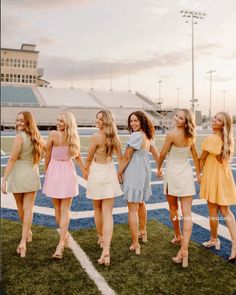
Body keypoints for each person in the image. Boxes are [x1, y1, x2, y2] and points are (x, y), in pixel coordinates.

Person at [157, 109, 200, 267]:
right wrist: (199, 175)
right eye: (176, 116)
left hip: (173, 175)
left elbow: (161, 154)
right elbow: (195, 156)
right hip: (187, 174)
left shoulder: (172, 135)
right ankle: (184, 250)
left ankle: (178, 235)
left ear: (186, 121)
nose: (176, 118)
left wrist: (159, 168)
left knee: (173, 207)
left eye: (180, 118)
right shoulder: (191, 136)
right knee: (187, 214)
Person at [1, 111, 44, 257]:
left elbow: (12, 159)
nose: (18, 122)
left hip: (18, 175)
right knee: (28, 209)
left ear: (28, 122)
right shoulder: (37, 137)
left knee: (22, 208)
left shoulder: (19, 137)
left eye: (22, 120)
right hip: (32, 173)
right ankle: (27, 234)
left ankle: (23, 242)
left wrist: (4, 179)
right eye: (17, 120)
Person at [43, 111, 85, 259]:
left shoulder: (53, 135)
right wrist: (85, 171)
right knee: (64, 209)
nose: (58, 123)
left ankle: (61, 243)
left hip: (54, 171)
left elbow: (47, 154)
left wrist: (46, 171)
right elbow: (78, 157)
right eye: (58, 120)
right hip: (68, 171)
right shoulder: (73, 137)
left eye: (61, 121)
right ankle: (63, 238)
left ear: (67, 123)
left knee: (58, 208)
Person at [118, 111, 159, 255]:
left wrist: (119, 172)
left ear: (142, 121)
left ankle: (135, 244)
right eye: (131, 121)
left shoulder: (136, 136)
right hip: (144, 170)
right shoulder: (147, 136)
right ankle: (143, 232)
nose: (133, 124)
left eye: (136, 121)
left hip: (135, 171)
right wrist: (159, 168)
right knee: (141, 203)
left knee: (132, 208)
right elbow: (155, 153)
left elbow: (127, 156)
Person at [85, 110, 123, 266]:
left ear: (106, 121)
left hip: (97, 171)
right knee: (108, 213)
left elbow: (88, 158)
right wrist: (120, 174)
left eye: (100, 119)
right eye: (97, 118)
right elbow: (120, 159)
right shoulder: (115, 138)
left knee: (97, 209)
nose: (97, 120)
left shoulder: (96, 137)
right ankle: (106, 249)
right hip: (109, 172)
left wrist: (86, 170)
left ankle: (101, 237)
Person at [200, 112, 236, 262]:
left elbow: (201, 158)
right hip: (224, 176)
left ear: (223, 125)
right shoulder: (226, 139)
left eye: (219, 120)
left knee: (213, 210)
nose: (214, 120)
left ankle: (215, 239)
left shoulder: (212, 139)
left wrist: (197, 174)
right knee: (225, 211)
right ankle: (227, 242)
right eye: (215, 117)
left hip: (213, 176)